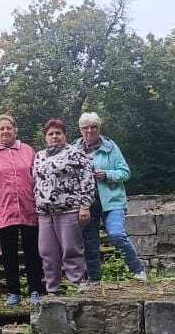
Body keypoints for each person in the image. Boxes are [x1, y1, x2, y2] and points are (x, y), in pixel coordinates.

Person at [0, 114, 44, 307]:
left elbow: (38, 176)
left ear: (15, 130)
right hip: (4, 209)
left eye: (9, 128)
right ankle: (13, 292)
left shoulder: (28, 150)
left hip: (28, 208)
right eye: (1, 128)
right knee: (9, 254)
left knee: (33, 252)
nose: (5, 131)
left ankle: (35, 290)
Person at [75, 112, 147, 282]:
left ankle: (138, 269)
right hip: (86, 203)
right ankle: (94, 280)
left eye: (94, 127)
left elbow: (125, 172)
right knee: (89, 242)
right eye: (86, 127)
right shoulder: (74, 149)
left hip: (112, 200)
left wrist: (107, 175)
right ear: (80, 129)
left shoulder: (110, 147)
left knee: (116, 234)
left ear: (99, 128)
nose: (90, 130)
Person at [33, 118, 95, 294]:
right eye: (50, 134)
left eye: (58, 133)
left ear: (64, 135)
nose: (54, 136)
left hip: (69, 210)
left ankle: (78, 284)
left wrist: (85, 206)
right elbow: (36, 183)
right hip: (45, 213)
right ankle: (52, 288)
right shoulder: (39, 156)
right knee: (47, 252)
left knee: (71, 249)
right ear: (45, 137)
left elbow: (87, 180)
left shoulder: (75, 153)